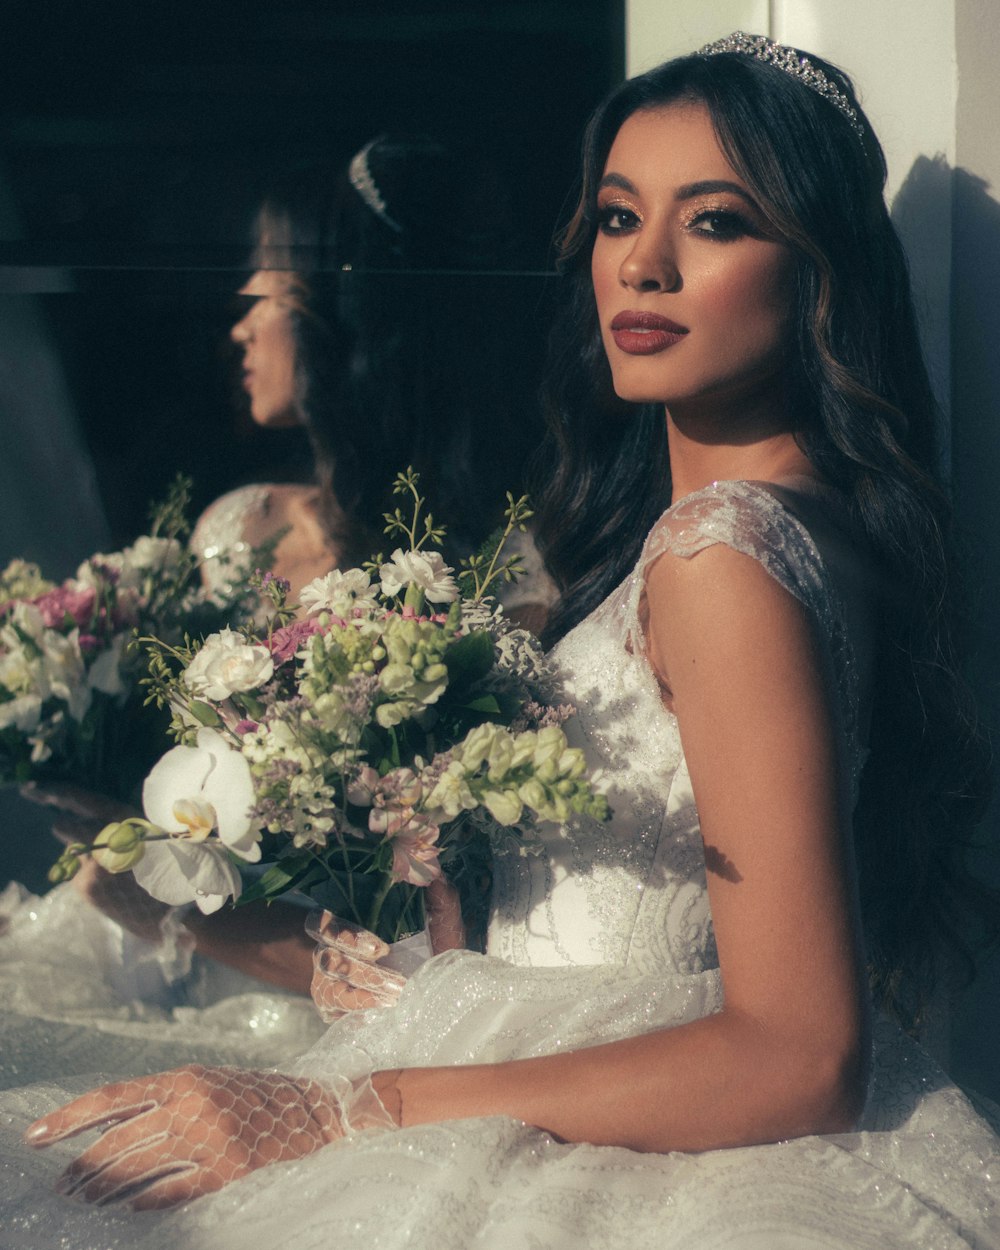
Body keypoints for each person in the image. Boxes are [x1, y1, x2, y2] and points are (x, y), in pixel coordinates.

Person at [4, 33, 999, 1249]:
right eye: (620, 215)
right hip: (546, 1063)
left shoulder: (722, 553)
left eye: (718, 221)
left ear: (819, 267)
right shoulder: (782, 531)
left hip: (610, 1152)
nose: (643, 265)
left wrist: (338, 1113)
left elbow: (798, 1050)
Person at [1, 135, 553, 1043]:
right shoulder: (239, 530)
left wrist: (174, 910)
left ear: (344, 312)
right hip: (180, 978)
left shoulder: (496, 579)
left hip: (344, 1013)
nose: (240, 323)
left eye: (264, 287)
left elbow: (453, 931)